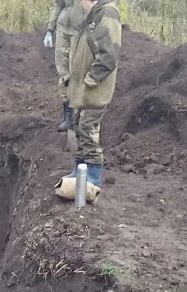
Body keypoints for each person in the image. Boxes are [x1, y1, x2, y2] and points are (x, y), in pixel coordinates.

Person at [65, 0, 122, 188]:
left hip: (94, 89)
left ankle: (93, 175)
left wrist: (92, 78)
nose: (80, 4)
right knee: (79, 126)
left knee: (88, 130)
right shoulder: (93, 14)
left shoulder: (107, 13)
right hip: (83, 88)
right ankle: (80, 170)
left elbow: (109, 53)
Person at [44, 0, 85, 132]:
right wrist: (50, 30)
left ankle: (79, 117)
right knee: (63, 72)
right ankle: (68, 117)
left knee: (78, 72)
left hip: (80, 30)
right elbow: (58, 4)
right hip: (62, 30)